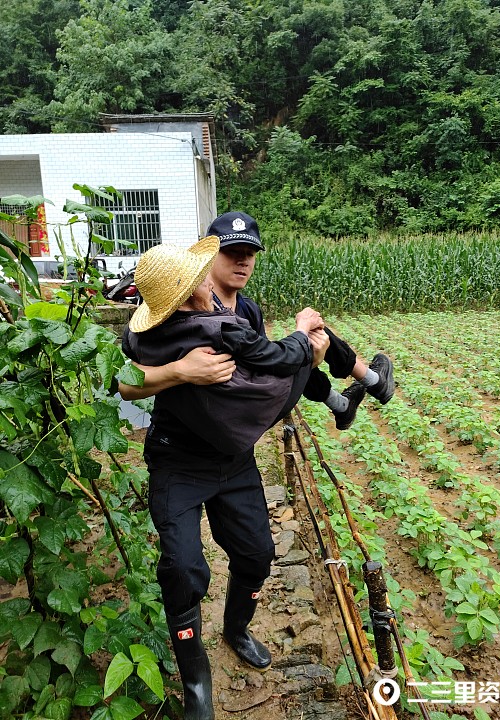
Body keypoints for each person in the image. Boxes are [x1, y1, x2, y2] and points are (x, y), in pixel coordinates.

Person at [123, 236, 335, 720]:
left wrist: (306, 364)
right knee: (182, 569)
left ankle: (236, 629)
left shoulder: (238, 317)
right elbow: (120, 380)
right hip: (177, 461)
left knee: (257, 553)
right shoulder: (156, 332)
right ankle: (196, 681)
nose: (203, 281)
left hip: (234, 461)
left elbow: (269, 370)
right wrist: (181, 371)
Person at [120, 211, 395, 430]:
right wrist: (180, 370)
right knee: (308, 331)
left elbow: (265, 366)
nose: (243, 261)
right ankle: (368, 383)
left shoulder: (248, 309)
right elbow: (126, 382)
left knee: (308, 340)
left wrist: (306, 354)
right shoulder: (180, 306)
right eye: (232, 252)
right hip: (211, 427)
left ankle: (345, 402)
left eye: (249, 254)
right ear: (209, 259)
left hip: (234, 424)